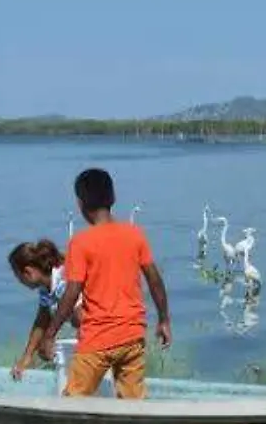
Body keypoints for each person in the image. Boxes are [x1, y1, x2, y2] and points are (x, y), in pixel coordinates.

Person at [40, 167, 171, 399]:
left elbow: (71, 293)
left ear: (80, 204)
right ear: (113, 198)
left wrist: (50, 334)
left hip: (97, 340)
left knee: (73, 403)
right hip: (133, 337)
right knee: (132, 405)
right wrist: (163, 320)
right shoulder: (135, 234)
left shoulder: (81, 243)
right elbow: (155, 280)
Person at [8, 239, 77, 381]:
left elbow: (83, 317)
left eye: (18, 277)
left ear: (28, 272)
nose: (20, 282)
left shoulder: (62, 282)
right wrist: (27, 356)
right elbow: (42, 319)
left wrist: (49, 338)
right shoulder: (46, 285)